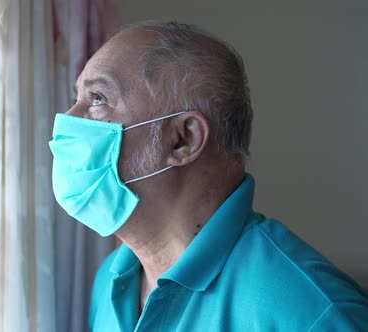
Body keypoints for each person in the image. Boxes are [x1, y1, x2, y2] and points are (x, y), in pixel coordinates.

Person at [49, 21, 368, 331]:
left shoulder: (312, 312)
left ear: (183, 139)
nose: (67, 119)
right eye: (77, 98)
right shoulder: (112, 282)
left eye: (98, 99)